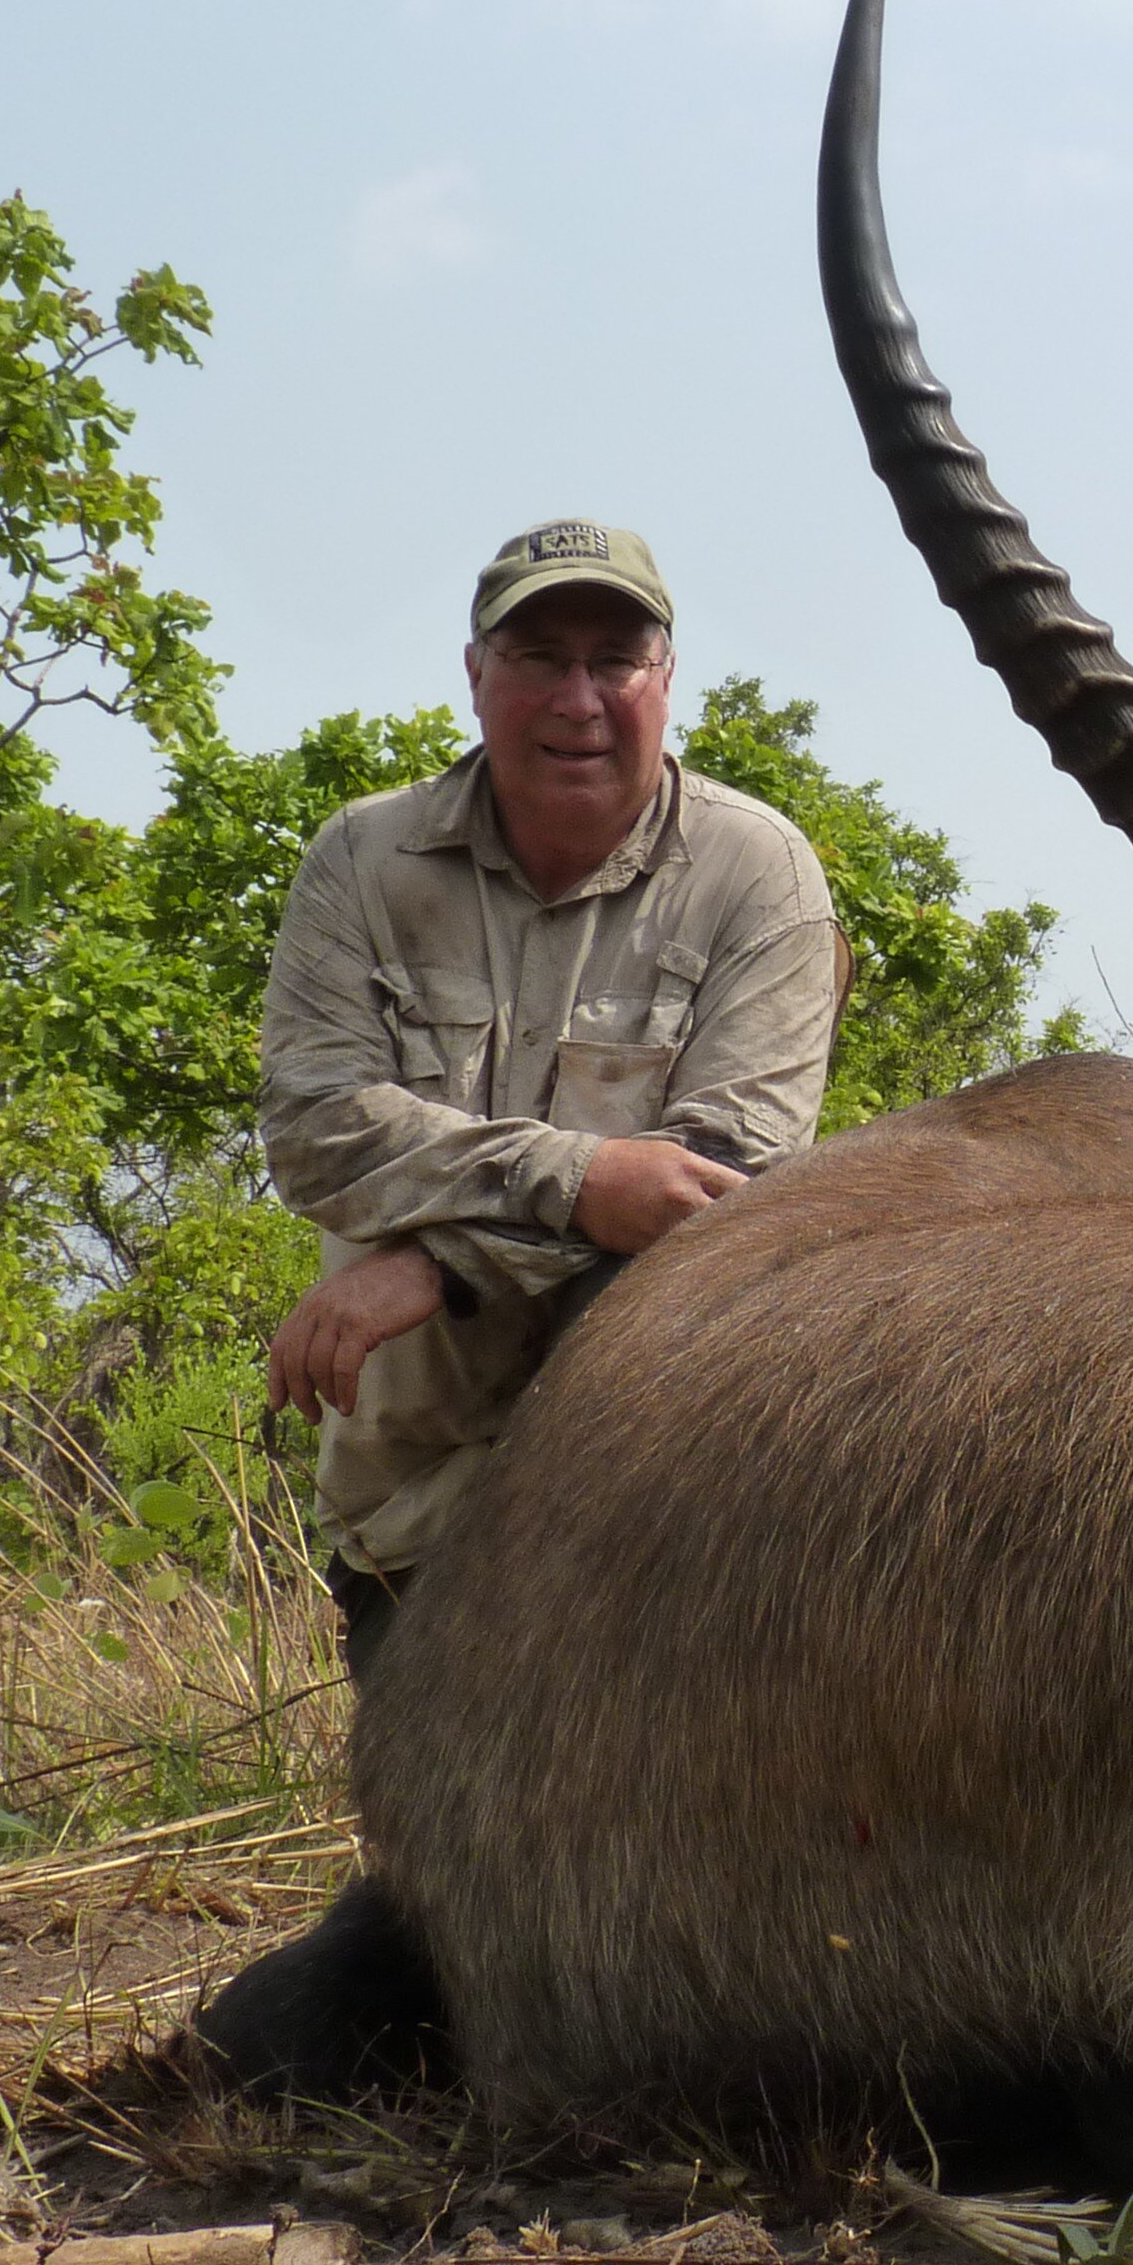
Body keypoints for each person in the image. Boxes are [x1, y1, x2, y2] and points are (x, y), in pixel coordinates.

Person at [257, 518, 845, 1673]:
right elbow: (316, 1133)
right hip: (414, 1510)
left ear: (665, 680)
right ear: (476, 675)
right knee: (433, 1849)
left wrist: (435, 1262)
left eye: (613, 660)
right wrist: (582, 1176)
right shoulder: (361, 860)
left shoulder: (759, 872)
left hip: (656, 1508)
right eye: (538, 658)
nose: (580, 698)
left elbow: (722, 1190)